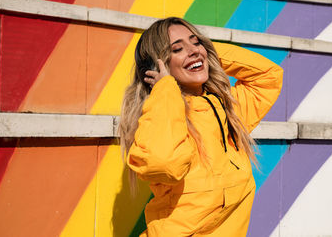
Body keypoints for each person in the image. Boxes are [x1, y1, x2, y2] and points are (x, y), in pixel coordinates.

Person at [119, 17, 283, 236]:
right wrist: (166, 89)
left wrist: (208, 53)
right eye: (177, 49)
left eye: (196, 42)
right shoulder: (160, 115)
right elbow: (166, 164)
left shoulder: (227, 109)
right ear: (155, 67)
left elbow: (268, 77)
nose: (193, 51)